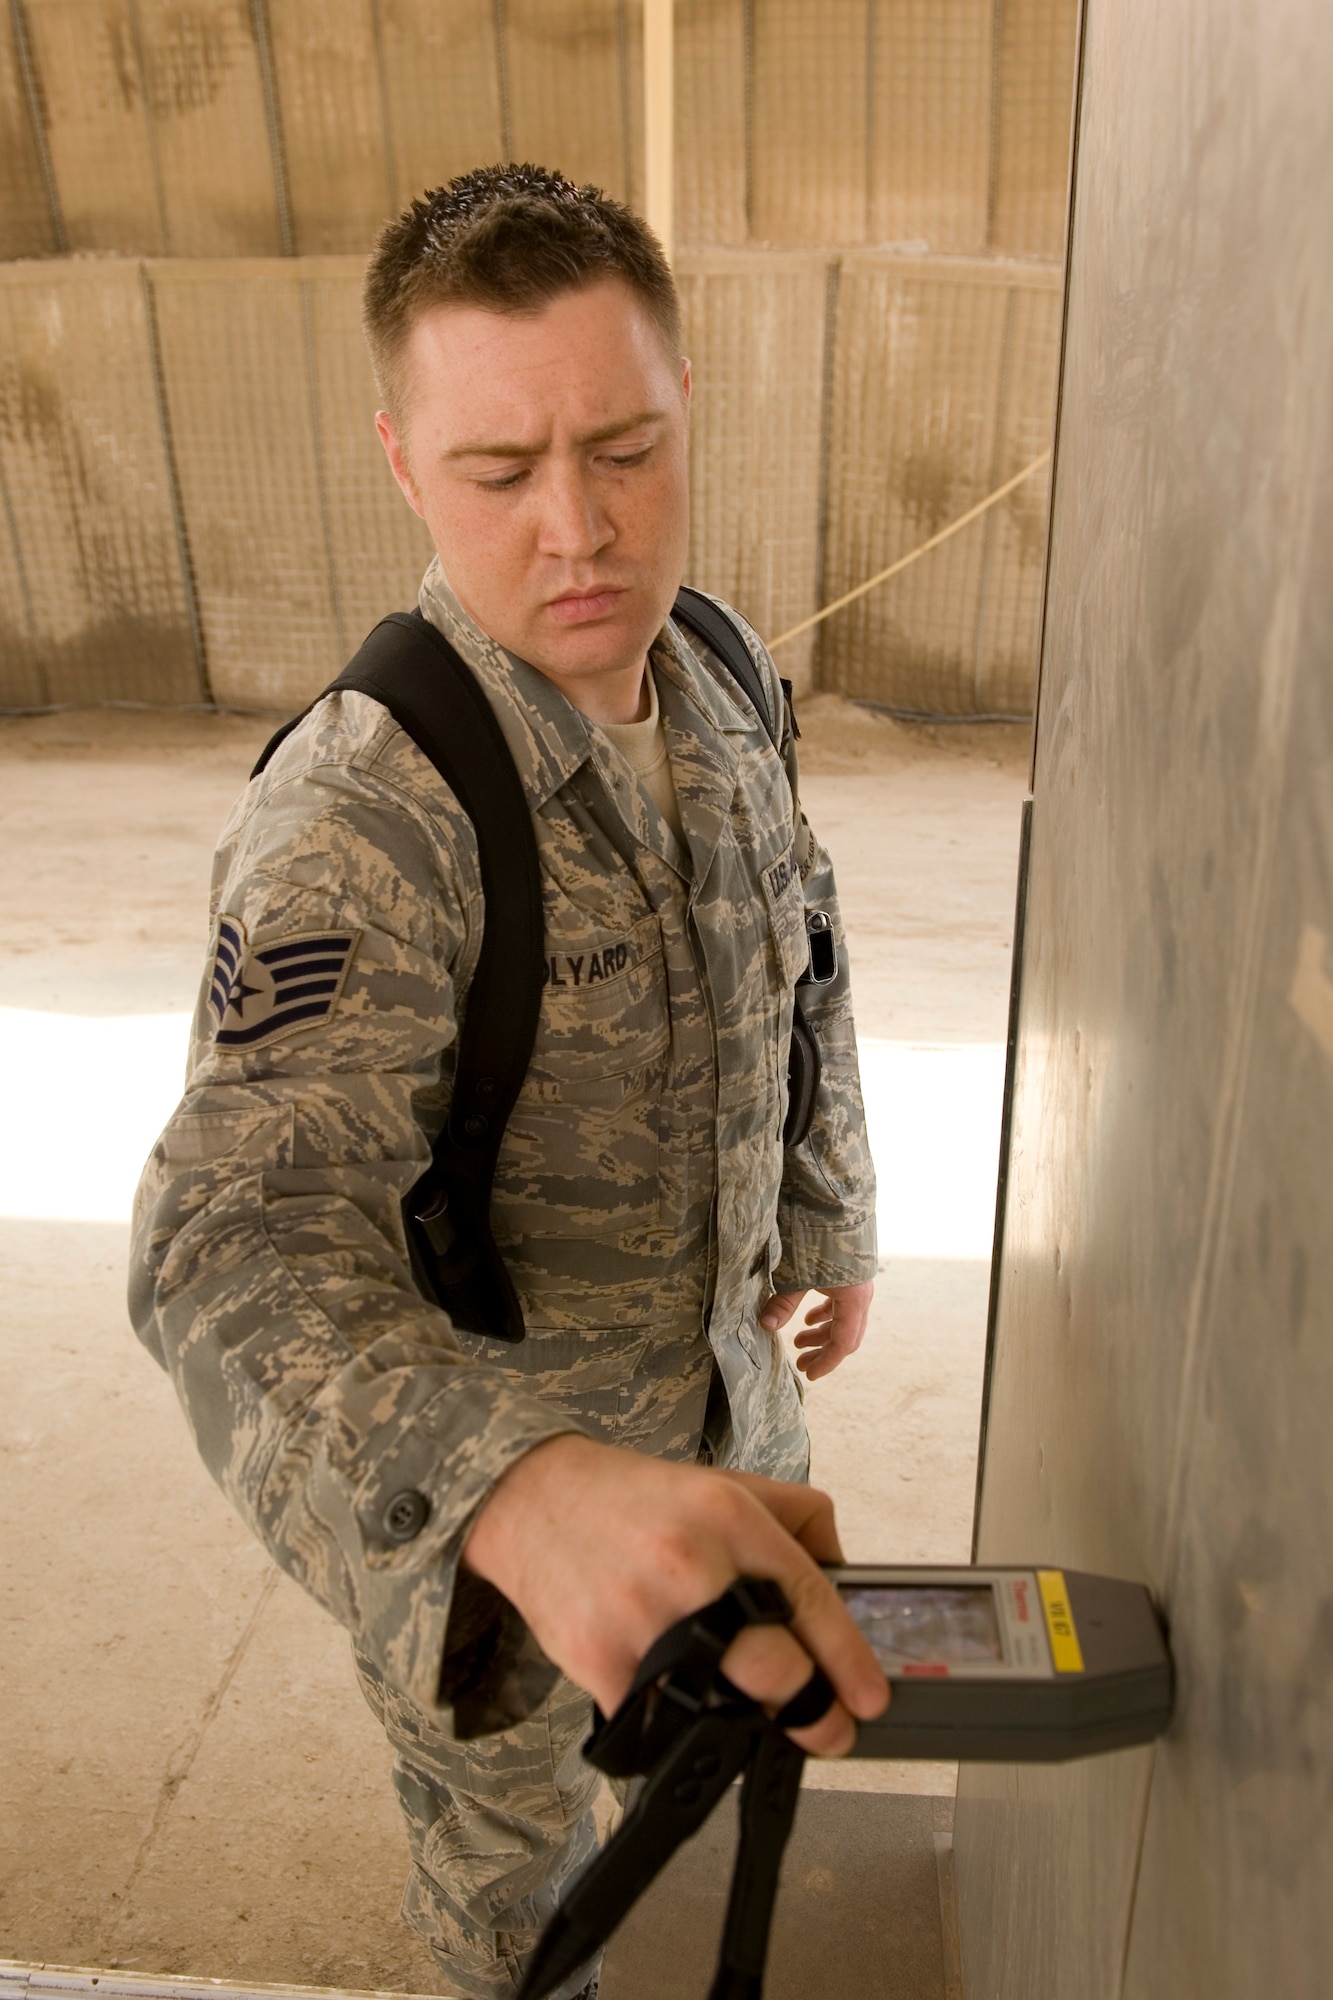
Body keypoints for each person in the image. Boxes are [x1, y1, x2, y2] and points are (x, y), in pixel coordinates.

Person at [129, 163, 885, 2000]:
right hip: (492, 1554)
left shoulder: (715, 668)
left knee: (703, 1860)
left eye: (623, 447)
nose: (580, 530)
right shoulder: (365, 822)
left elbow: (802, 937)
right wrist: (516, 1493)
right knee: (525, 1920)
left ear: (686, 406)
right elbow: (229, 1248)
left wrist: (828, 1207)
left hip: (725, 1442)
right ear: (403, 462)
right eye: (499, 471)